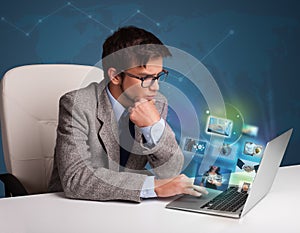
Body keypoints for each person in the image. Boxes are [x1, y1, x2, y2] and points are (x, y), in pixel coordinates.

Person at [48, 26, 205, 202]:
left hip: (127, 210)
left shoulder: (156, 103)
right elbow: (75, 179)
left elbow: (171, 171)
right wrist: (153, 186)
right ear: (115, 76)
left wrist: (153, 127)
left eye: (158, 76)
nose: (155, 87)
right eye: (145, 78)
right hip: (71, 207)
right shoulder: (77, 104)